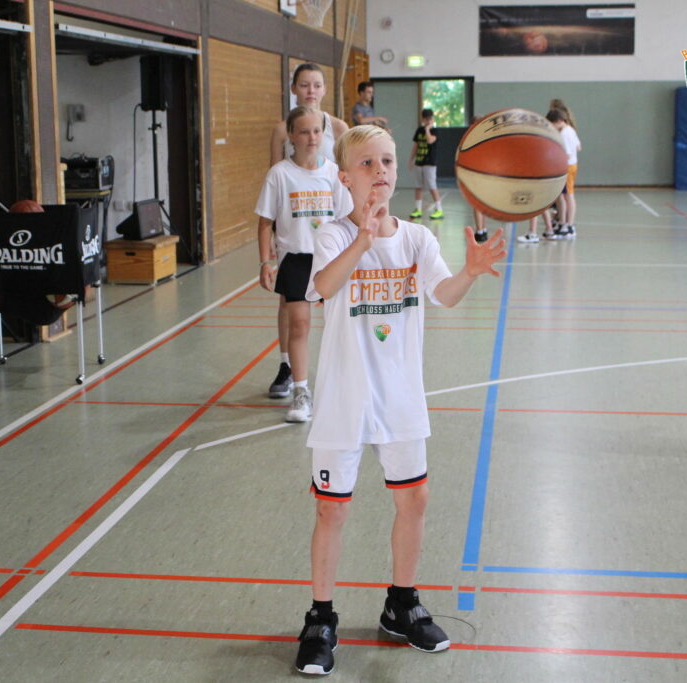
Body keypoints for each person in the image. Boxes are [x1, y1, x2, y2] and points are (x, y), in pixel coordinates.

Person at [294, 125, 507, 675]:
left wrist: (469, 273)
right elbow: (324, 287)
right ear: (344, 177)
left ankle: (402, 604)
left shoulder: (416, 239)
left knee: (414, 501)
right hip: (344, 399)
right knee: (332, 508)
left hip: (400, 399)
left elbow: (443, 295)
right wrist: (362, 240)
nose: (380, 171)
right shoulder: (334, 235)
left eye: (387, 161)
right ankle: (320, 618)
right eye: (367, 163)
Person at [256, 107, 350, 422]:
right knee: (299, 325)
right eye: (304, 131)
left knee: (342, 325)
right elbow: (264, 223)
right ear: (292, 136)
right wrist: (265, 261)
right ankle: (300, 392)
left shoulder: (334, 174)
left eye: (317, 131)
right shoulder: (279, 174)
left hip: (330, 259)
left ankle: (345, 386)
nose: (312, 138)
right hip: (296, 259)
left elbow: (347, 219)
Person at [545, 107, 581, 239]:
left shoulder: (565, 134)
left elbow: (567, 154)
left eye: (553, 124)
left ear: (559, 121)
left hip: (567, 166)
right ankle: (562, 222)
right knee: (561, 195)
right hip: (568, 165)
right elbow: (578, 146)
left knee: (568, 195)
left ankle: (569, 225)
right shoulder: (570, 130)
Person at [408, 108, 444, 220]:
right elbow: (416, 145)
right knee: (418, 186)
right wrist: (411, 159)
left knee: (432, 186)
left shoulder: (435, 131)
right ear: (423, 119)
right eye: (426, 119)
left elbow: (430, 140)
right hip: (419, 161)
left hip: (430, 162)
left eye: (430, 119)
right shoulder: (419, 130)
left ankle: (439, 209)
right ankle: (418, 209)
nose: (428, 121)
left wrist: (427, 129)